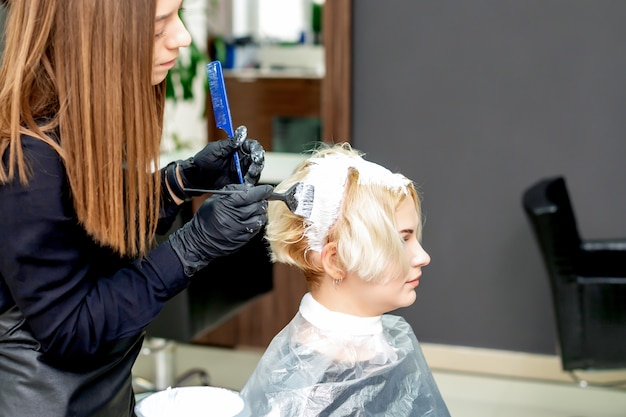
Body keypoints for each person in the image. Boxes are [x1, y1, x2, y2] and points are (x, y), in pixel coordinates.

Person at [0, 0, 273, 415]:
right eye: (161, 23)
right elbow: (71, 330)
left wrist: (181, 181)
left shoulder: (71, 126)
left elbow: (87, 220)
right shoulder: (28, 164)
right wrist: (192, 246)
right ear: (94, 38)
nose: (182, 38)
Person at [240, 143, 451, 416]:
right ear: (337, 261)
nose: (423, 257)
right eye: (402, 240)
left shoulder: (397, 340)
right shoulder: (299, 390)